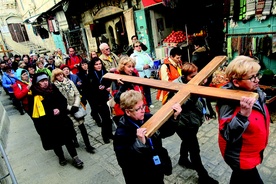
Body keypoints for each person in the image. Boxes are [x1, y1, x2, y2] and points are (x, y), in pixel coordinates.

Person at [216, 55, 270, 184]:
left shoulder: (254, 91)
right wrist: (242, 115)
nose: (257, 80)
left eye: (257, 75)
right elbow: (228, 134)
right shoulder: (228, 101)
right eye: (252, 78)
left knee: (239, 178)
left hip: (251, 152)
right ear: (236, 82)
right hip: (240, 156)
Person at [113, 90, 182, 184]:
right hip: (141, 176)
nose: (143, 110)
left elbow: (165, 133)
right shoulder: (121, 133)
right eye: (138, 109)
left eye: (143, 106)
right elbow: (124, 163)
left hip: (156, 167)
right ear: (128, 112)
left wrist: (174, 118)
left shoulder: (148, 117)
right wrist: (139, 144)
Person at [167, 62, 218, 184]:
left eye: (197, 75)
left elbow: (204, 98)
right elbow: (186, 105)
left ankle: (183, 159)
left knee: (188, 142)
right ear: (184, 76)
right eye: (192, 77)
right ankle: (203, 176)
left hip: (193, 121)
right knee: (194, 149)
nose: (195, 79)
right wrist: (196, 90)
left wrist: (207, 111)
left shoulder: (196, 82)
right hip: (182, 124)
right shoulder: (176, 86)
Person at [29, 72, 84, 169]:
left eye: (46, 80)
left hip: (61, 120)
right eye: (42, 81)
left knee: (68, 140)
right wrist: (50, 112)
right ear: (37, 83)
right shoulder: (34, 95)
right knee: (55, 143)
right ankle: (61, 157)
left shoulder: (53, 88)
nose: (45, 83)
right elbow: (34, 112)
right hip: (48, 123)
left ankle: (75, 158)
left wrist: (59, 108)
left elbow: (62, 100)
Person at [51, 68, 95, 153]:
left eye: (61, 74)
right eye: (57, 75)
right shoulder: (54, 87)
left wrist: (75, 105)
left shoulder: (69, 82)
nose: (60, 76)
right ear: (55, 77)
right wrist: (69, 108)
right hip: (66, 110)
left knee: (82, 127)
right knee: (71, 127)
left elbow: (77, 94)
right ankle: (74, 140)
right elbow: (59, 101)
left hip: (76, 107)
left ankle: (88, 145)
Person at [111, 56, 150, 124]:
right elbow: (117, 99)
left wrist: (145, 108)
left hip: (140, 110)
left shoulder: (135, 76)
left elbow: (141, 93)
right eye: (129, 67)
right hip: (125, 114)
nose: (131, 69)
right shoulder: (117, 79)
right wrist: (123, 86)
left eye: (133, 66)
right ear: (123, 67)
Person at [86, 57, 114, 144]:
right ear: (93, 66)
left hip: (107, 98)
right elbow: (89, 90)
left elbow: (109, 83)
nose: (99, 66)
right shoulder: (90, 75)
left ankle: (110, 134)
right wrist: (98, 89)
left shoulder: (105, 72)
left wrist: (108, 87)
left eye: (100, 64)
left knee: (109, 118)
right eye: (96, 64)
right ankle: (105, 135)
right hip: (98, 101)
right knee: (105, 119)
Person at [130, 40, 154, 108]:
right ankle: (142, 104)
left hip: (147, 74)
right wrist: (142, 67)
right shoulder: (133, 56)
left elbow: (151, 61)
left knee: (147, 89)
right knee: (140, 91)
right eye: (136, 46)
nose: (138, 47)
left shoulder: (145, 54)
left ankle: (149, 102)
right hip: (140, 75)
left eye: (139, 45)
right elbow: (132, 66)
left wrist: (149, 66)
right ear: (134, 48)